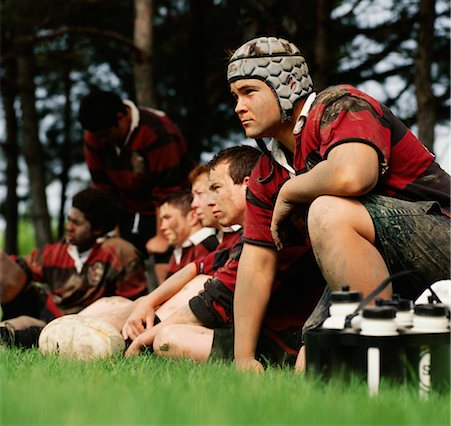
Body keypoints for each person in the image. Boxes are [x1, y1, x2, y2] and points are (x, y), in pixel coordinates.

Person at [227, 36, 450, 372]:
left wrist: (290, 192)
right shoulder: (265, 173)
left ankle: (382, 358)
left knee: (329, 210)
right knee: (313, 360)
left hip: (441, 239)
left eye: (249, 92)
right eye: (235, 97)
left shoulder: (340, 105)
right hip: (385, 273)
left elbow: (352, 174)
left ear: (288, 84)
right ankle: (385, 357)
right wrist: (243, 358)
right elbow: (256, 264)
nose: (238, 107)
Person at [124, 145, 265, 362]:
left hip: (269, 342)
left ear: (247, 185)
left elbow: (212, 300)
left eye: (215, 188)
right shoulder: (239, 239)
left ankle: (124, 339)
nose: (207, 202)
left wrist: (144, 339)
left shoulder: (260, 237)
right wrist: (147, 302)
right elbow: (197, 267)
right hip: (249, 333)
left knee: (168, 338)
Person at [0, 187, 148, 345]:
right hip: (49, 312)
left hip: (89, 322)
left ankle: (16, 334)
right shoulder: (57, 252)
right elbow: (21, 269)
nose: (68, 227)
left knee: (25, 323)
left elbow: (132, 304)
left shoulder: (120, 254)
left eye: (76, 223)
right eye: (69, 219)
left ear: (97, 229)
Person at [78, 89, 196, 281]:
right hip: (128, 206)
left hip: (171, 205)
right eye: (96, 136)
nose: (101, 141)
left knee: (166, 263)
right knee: (120, 262)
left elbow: (167, 190)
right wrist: (115, 233)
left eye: (106, 134)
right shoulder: (95, 136)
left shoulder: (157, 131)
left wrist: (162, 237)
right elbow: (103, 188)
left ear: (121, 117)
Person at [159, 190, 218, 281]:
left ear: (192, 217)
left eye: (167, 218)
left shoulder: (210, 248)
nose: (162, 227)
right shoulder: (180, 251)